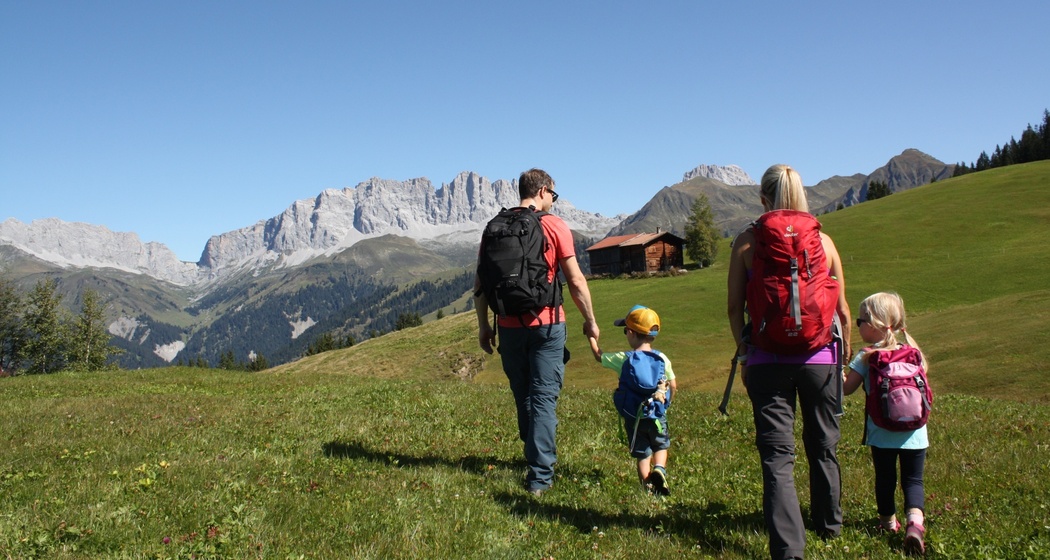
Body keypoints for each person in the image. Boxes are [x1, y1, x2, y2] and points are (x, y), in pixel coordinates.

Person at [727, 164, 852, 560]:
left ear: (763, 199)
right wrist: (842, 357)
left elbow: (733, 308)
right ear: (802, 197)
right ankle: (829, 525)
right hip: (821, 360)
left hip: (767, 361)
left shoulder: (747, 243)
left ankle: (788, 550)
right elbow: (844, 312)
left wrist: (746, 352)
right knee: (823, 444)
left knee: (778, 457)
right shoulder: (824, 242)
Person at [474, 168, 599, 496]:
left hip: (509, 326)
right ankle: (540, 476)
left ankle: (534, 455)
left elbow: (480, 286)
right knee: (543, 397)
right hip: (546, 324)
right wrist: (590, 320)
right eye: (553, 196)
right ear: (543, 191)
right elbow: (574, 280)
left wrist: (484, 326)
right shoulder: (554, 226)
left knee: (523, 394)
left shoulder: (494, 228)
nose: (554, 202)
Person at [843, 292, 929, 556]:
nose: (857, 326)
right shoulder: (914, 353)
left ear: (875, 324)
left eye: (860, 321)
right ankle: (915, 523)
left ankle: (888, 524)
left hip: (882, 433)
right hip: (915, 432)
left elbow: (846, 389)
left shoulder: (867, 356)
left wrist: (836, 370)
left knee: (885, 479)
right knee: (913, 480)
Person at [588, 305, 678, 496]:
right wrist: (666, 404)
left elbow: (598, 356)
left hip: (634, 418)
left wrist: (591, 337)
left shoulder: (623, 358)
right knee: (661, 446)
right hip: (657, 415)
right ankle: (660, 469)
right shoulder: (662, 358)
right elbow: (673, 384)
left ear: (630, 332)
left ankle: (648, 490)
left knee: (643, 456)